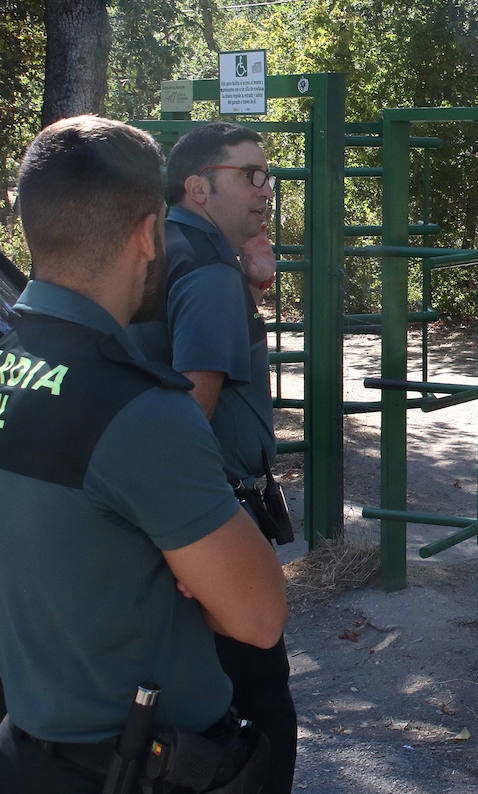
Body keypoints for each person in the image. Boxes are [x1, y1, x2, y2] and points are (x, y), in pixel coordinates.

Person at [0, 116, 287, 791]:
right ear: (147, 233)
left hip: (30, 748)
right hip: (139, 765)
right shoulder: (139, 411)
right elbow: (257, 615)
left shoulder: (13, 366)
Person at [129, 121, 297, 794]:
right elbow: (189, 416)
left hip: (154, 511)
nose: (266, 188)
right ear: (199, 187)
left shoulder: (150, 252)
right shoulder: (205, 274)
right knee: (260, 695)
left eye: (268, 174)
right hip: (208, 510)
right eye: (249, 174)